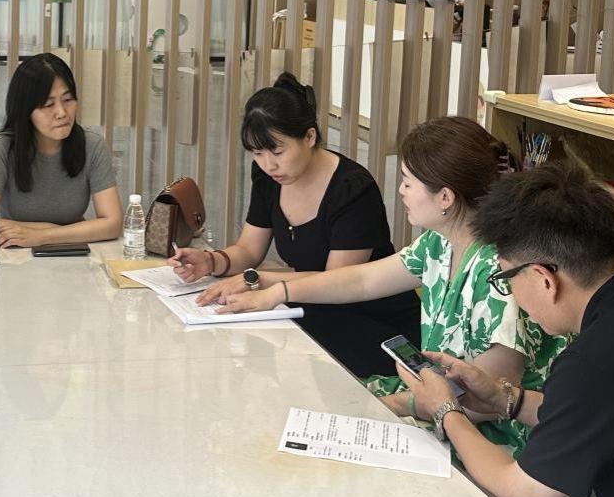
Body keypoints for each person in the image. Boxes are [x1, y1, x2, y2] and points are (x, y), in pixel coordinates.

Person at [212, 115, 568, 457]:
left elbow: (486, 403)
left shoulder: (498, 272)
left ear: (445, 197)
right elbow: (362, 279)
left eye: (408, 182)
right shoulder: (439, 243)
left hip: (487, 436)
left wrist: (394, 404)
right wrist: (277, 290)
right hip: (436, 403)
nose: (401, 191)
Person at [407, 161, 614, 497]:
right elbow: (597, 411)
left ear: (543, 278)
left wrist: (445, 411)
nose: (510, 292)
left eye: (505, 278)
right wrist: (506, 399)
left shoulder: (595, 360)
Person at [169, 73, 419, 377]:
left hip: (373, 323)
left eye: (277, 151)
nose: (268, 164)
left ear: (309, 137)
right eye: (257, 154)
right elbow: (249, 249)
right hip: (312, 307)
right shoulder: (269, 178)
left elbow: (338, 280)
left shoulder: (352, 188)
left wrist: (258, 281)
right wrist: (210, 261)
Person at [0, 53, 121, 247]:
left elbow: (113, 223)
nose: (62, 113)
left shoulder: (92, 145)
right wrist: (52, 228)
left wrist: (43, 236)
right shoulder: (2, 148)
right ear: (26, 111)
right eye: (48, 105)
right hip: (13, 254)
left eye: (68, 99)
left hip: (72, 254)